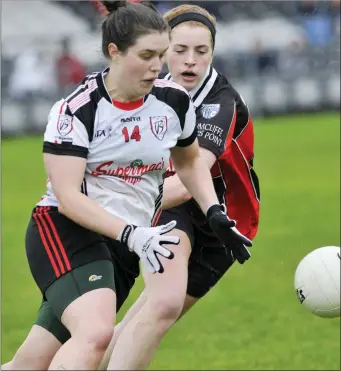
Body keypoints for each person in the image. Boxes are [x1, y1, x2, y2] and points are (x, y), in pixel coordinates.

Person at [2, 1, 252, 370]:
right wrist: (133, 234)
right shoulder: (75, 110)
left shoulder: (173, 103)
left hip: (123, 245)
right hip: (66, 231)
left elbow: (188, 164)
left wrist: (214, 210)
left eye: (161, 55)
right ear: (114, 52)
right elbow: (68, 199)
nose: (157, 66)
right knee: (95, 334)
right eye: (147, 55)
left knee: (32, 362)